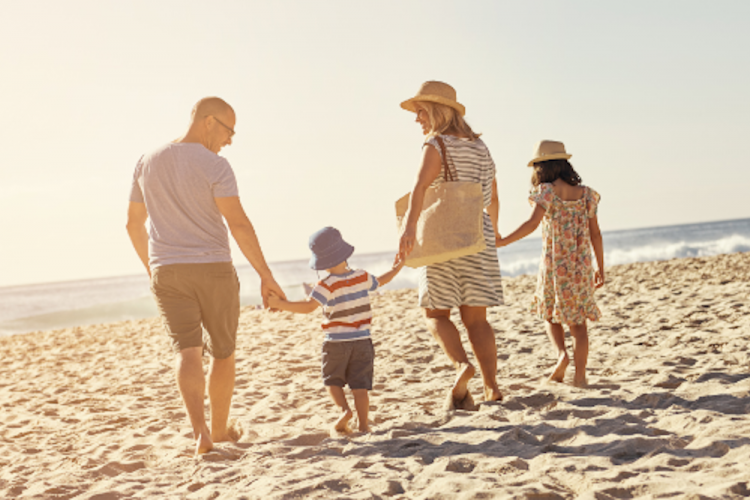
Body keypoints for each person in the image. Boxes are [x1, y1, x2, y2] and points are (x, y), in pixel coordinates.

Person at [126, 97, 286, 455]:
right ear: (209, 121)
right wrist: (265, 274)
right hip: (213, 268)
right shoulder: (216, 165)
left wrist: (153, 268)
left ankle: (201, 434)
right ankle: (220, 429)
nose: (230, 140)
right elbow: (239, 223)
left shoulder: (146, 162)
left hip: (168, 271)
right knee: (223, 353)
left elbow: (133, 224)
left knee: (188, 352)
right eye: (230, 130)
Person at [398, 81, 504, 409]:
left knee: (435, 312)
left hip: (445, 236)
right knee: (477, 320)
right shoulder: (481, 147)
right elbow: (493, 198)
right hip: (478, 235)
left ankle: (462, 365)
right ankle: (492, 387)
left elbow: (420, 187)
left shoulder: (436, 144)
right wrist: (494, 232)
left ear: (436, 111)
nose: (417, 119)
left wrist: (409, 228)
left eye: (421, 112)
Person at [268, 227, 404, 435]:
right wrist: (397, 268)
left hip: (335, 342)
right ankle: (364, 426)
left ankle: (344, 411)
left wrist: (281, 304)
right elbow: (382, 281)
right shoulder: (361, 276)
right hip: (363, 341)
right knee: (360, 386)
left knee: (331, 381)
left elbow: (308, 307)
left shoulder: (325, 284)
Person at [497, 140, 604, 387]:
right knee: (579, 324)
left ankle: (561, 355)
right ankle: (580, 377)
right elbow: (595, 234)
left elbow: (531, 224)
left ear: (541, 167)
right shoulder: (587, 194)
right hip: (581, 266)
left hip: (555, 266)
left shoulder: (546, 191)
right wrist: (600, 267)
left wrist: (503, 242)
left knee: (550, 315)